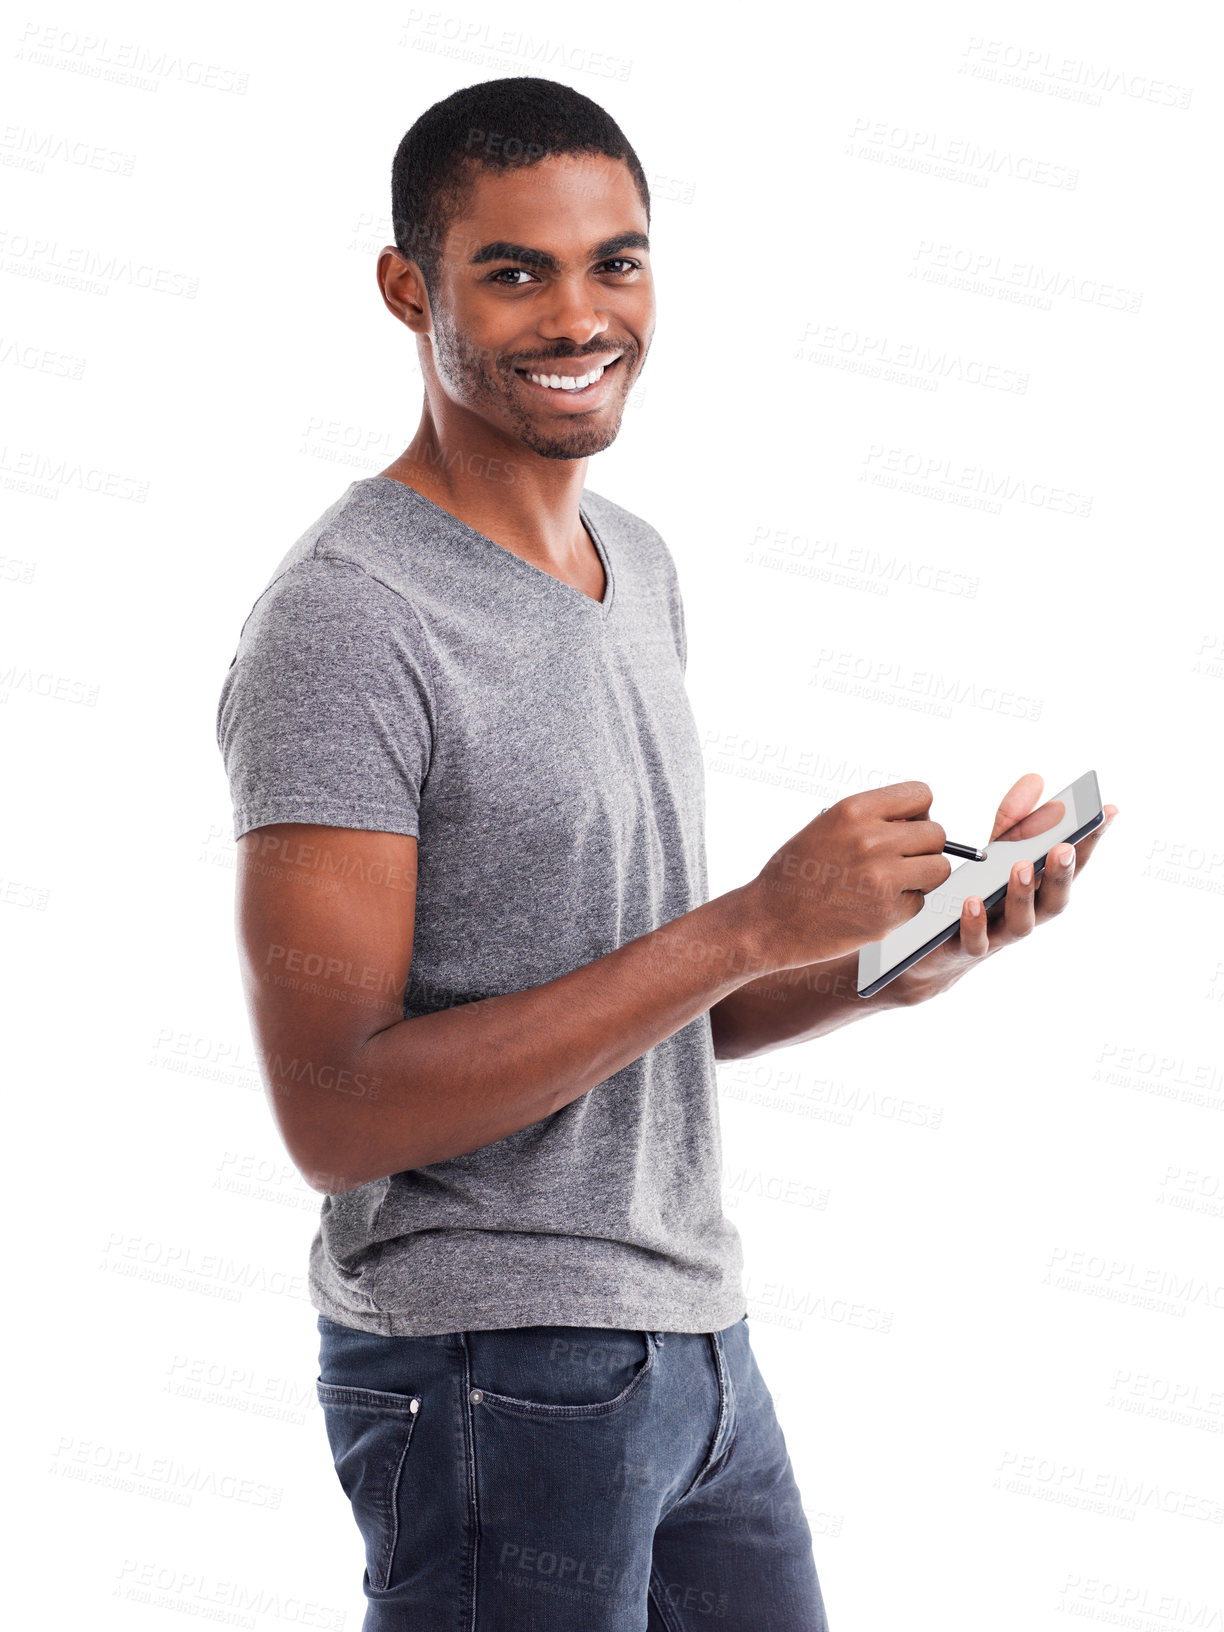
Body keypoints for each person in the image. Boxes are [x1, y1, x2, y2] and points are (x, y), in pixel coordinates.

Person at [215, 75, 1115, 1632]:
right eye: (515, 271)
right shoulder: (349, 620)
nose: (579, 316)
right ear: (407, 289)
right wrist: (752, 920)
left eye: (615, 262)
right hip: (492, 1368)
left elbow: (653, 1011)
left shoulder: (633, 562)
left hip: (695, 1345)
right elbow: (336, 1111)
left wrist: (887, 963)